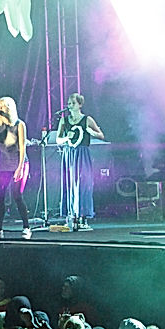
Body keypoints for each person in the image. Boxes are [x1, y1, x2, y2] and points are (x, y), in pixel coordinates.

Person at [55, 93, 104, 231]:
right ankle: (70, 216)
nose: (70, 106)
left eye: (73, 103)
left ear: (80, 105)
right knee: (69, 184)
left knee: (83, 185)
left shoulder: (87, 119)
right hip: (69, 154)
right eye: (69, 103)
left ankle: (83, 217)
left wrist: (91, 132)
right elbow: (58, 139)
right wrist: (66, 138)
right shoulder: (64, 121)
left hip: (82, 154)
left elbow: (101, 134)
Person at [0, 96, 31, 239]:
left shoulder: (19, 124)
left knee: (17, 195)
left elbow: (22, 148)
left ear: (10, 107)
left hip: (19, 162)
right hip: (4, 164)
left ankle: (26, 227)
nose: (0, 108)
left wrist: (19, 168)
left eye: (3, 106)